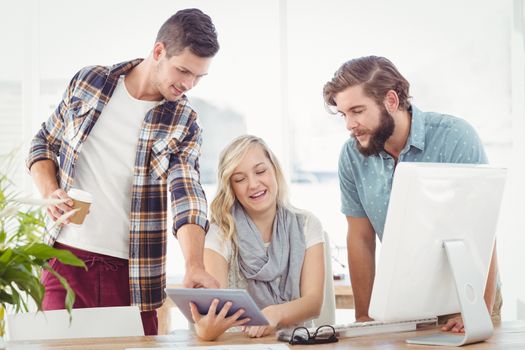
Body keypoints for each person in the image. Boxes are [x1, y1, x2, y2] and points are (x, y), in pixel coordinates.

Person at [25, 8, 220, 335]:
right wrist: (49, 191)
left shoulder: (184, 121)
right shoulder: (89, 83)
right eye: (183, 70)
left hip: (134, 276)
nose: (188, 84)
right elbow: (44, 142)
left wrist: (195, 265)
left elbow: (187, 193)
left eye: (198, 77)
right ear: (159, 51)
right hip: (65, 258)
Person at [322, 56, 501, 332]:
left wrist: (479, 310)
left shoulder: (455, 137)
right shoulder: (351, 155)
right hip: (402, 301)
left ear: (391, 101)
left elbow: (482, 232)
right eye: (344, 114)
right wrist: (364, 318)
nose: (349, 124)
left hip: (464, 298)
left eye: (357, 111)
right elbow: (360, 238)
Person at [189, 135, 326, 340]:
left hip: (295, 343)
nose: (253, 184)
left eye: (260, 171)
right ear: (231, 187)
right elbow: (213, 313)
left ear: (274, 170)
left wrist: (275, 313)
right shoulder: (220, 234)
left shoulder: (307, 224)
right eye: (240, 179)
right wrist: (206, 331)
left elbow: (314, 303)